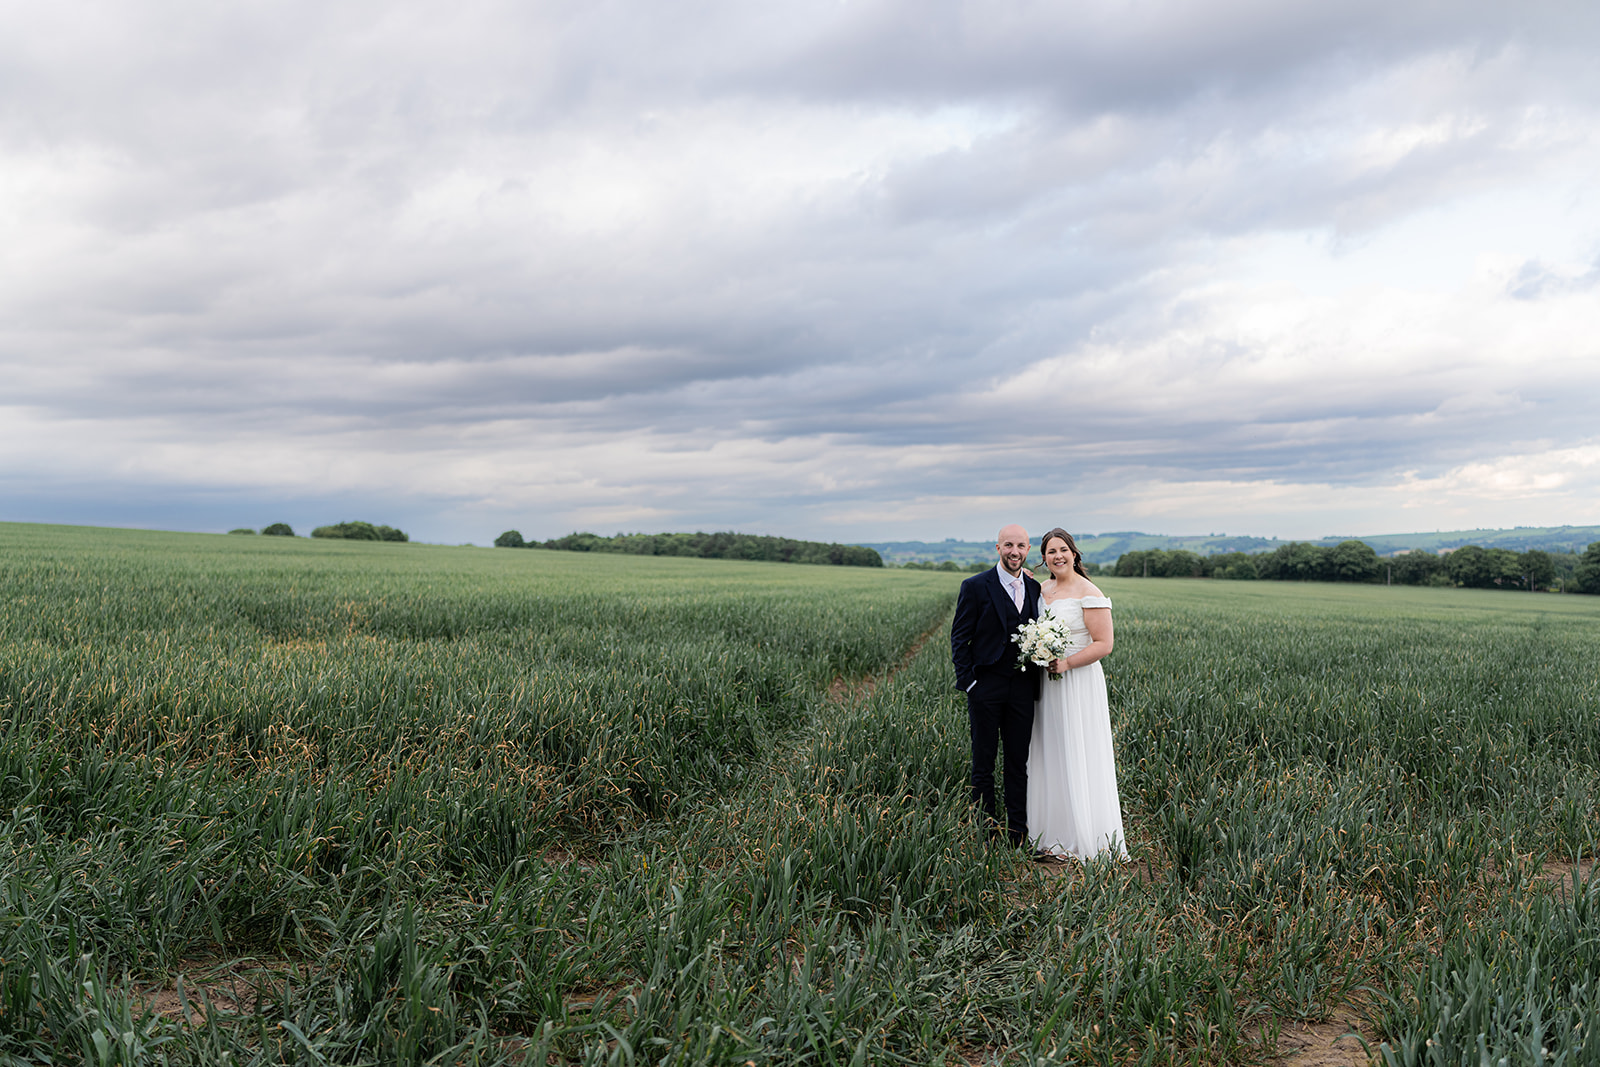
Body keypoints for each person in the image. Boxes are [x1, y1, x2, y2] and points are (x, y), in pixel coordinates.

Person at [1027, 527, 1128, 861]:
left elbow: (1104, 644)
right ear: (1043, 558)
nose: (1057, 556)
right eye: (1050, 552)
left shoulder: (1089, 591)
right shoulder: (1041, 590)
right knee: (1049, 748)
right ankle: (1049, 830)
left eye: (1063, 550)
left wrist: (1067, 663)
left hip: (1078, 680)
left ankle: (1082, 833)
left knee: (1078, 748)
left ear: (1074, 553)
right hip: (1047, 682)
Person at [950, 524, 1043, 850]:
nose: (1014, 551)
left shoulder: (1034, 589)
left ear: (1028, 550)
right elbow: (960, 638)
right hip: (985, 687)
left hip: (1022, 689)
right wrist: (970, 683)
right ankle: (985, 834)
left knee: (1018, 764)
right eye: (1008, 545)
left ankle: (1018, 835)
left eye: (1020, 545)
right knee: (983, 764)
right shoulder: (975, 586)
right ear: (997, 548)